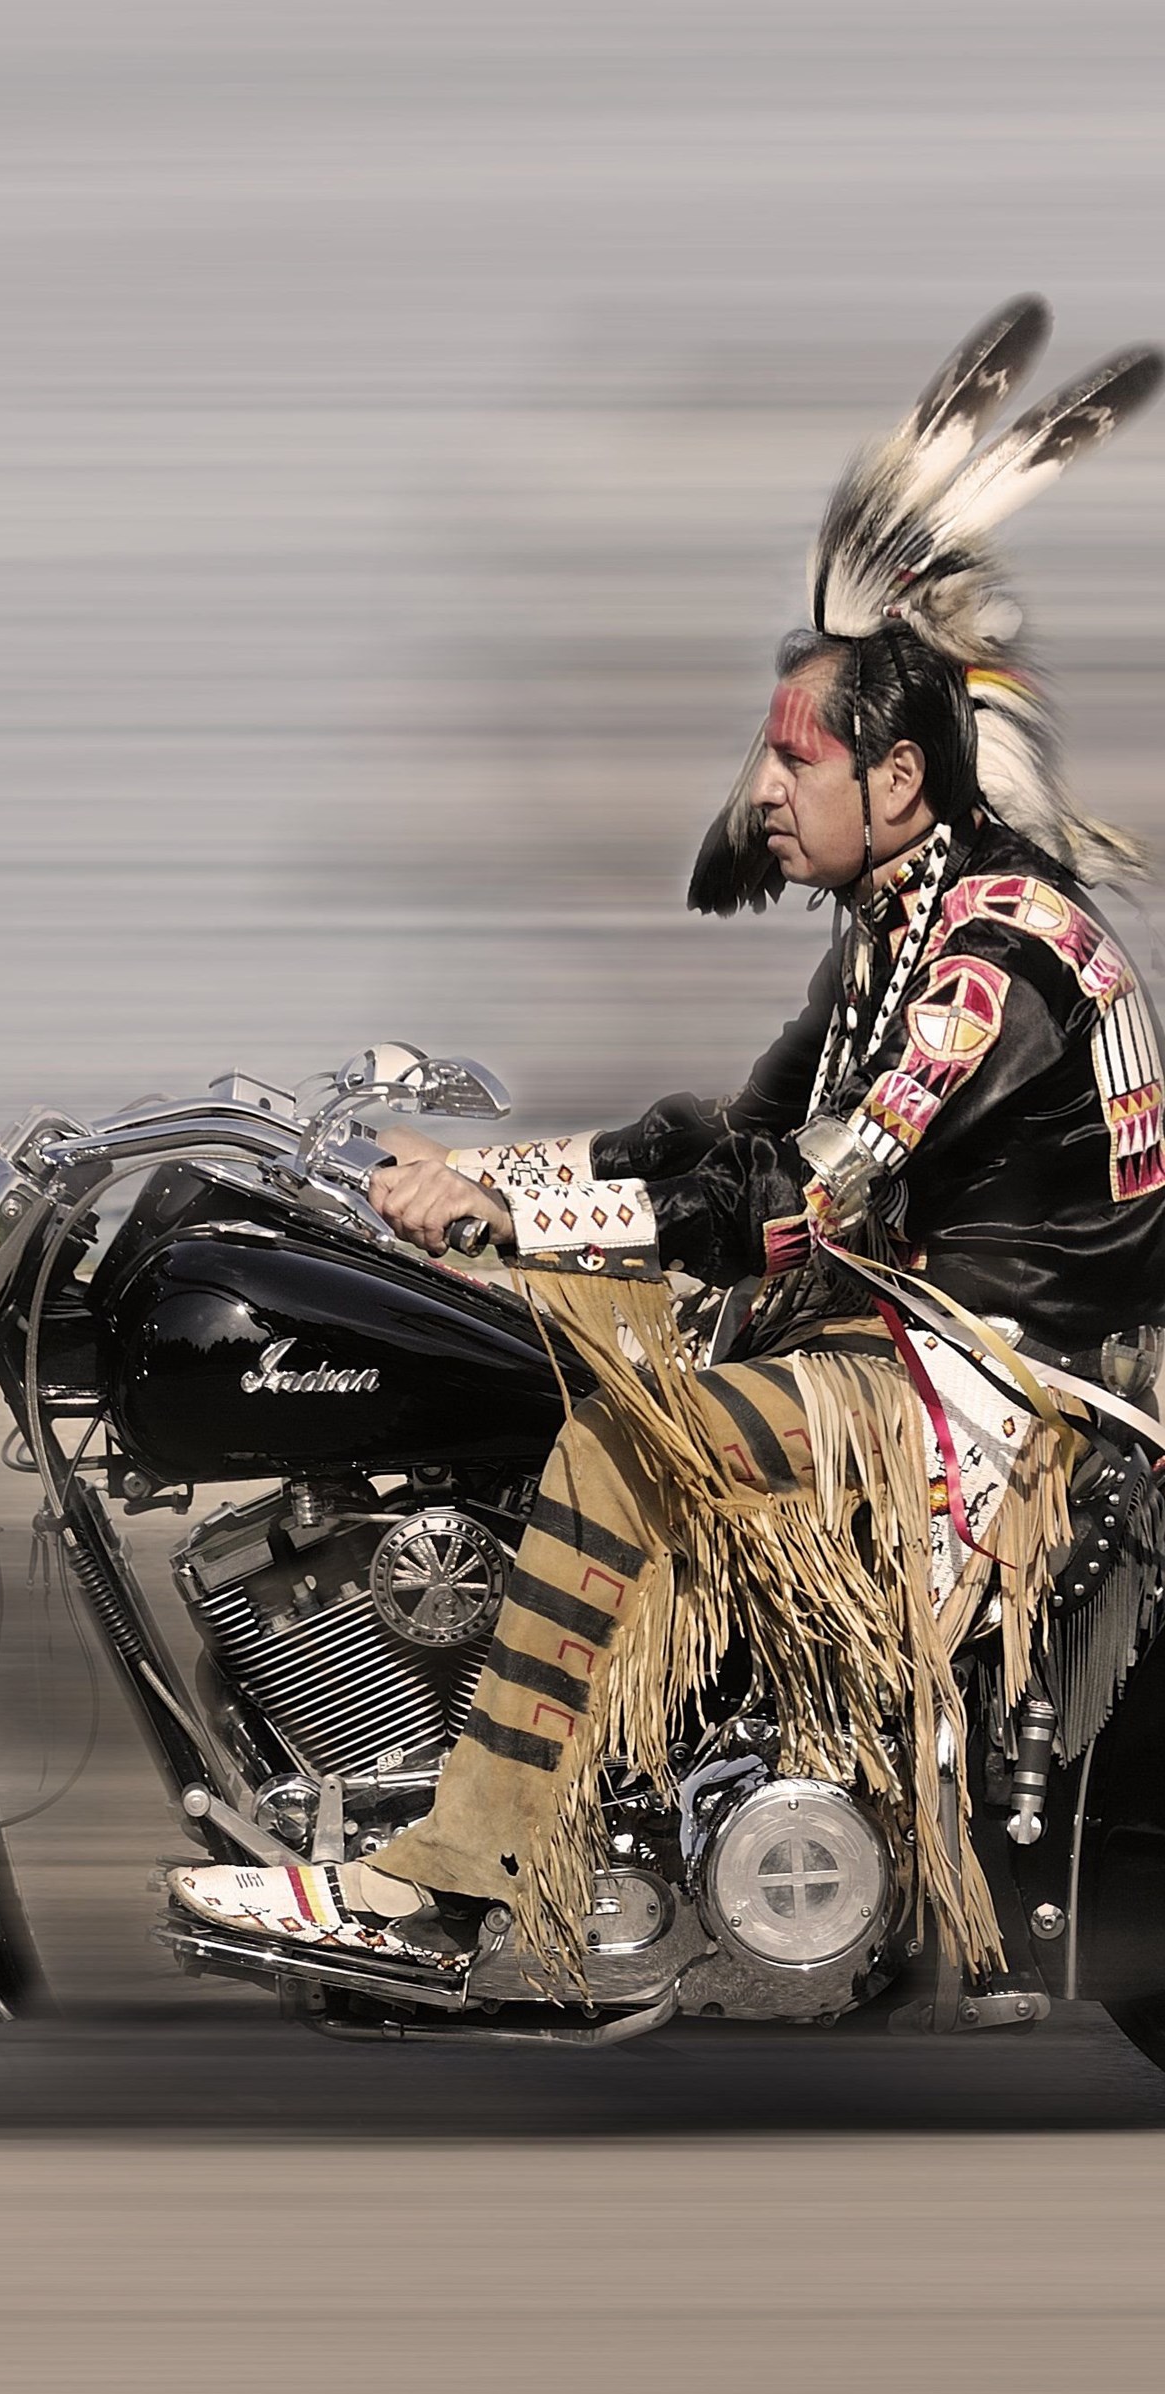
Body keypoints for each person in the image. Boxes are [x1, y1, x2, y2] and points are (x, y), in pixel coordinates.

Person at [169, 297, 1165, 1990]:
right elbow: (717, 1135)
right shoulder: (898, 935)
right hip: (903, 1349)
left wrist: (515, 1208)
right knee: (538, 1345)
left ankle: (444, 1884)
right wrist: (468, 1192)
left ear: (900, 779)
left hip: (977, 1401)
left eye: (793, 755)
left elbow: (794, 1203)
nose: (760, 789)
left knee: (625, 1452)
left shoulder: (990, 964)